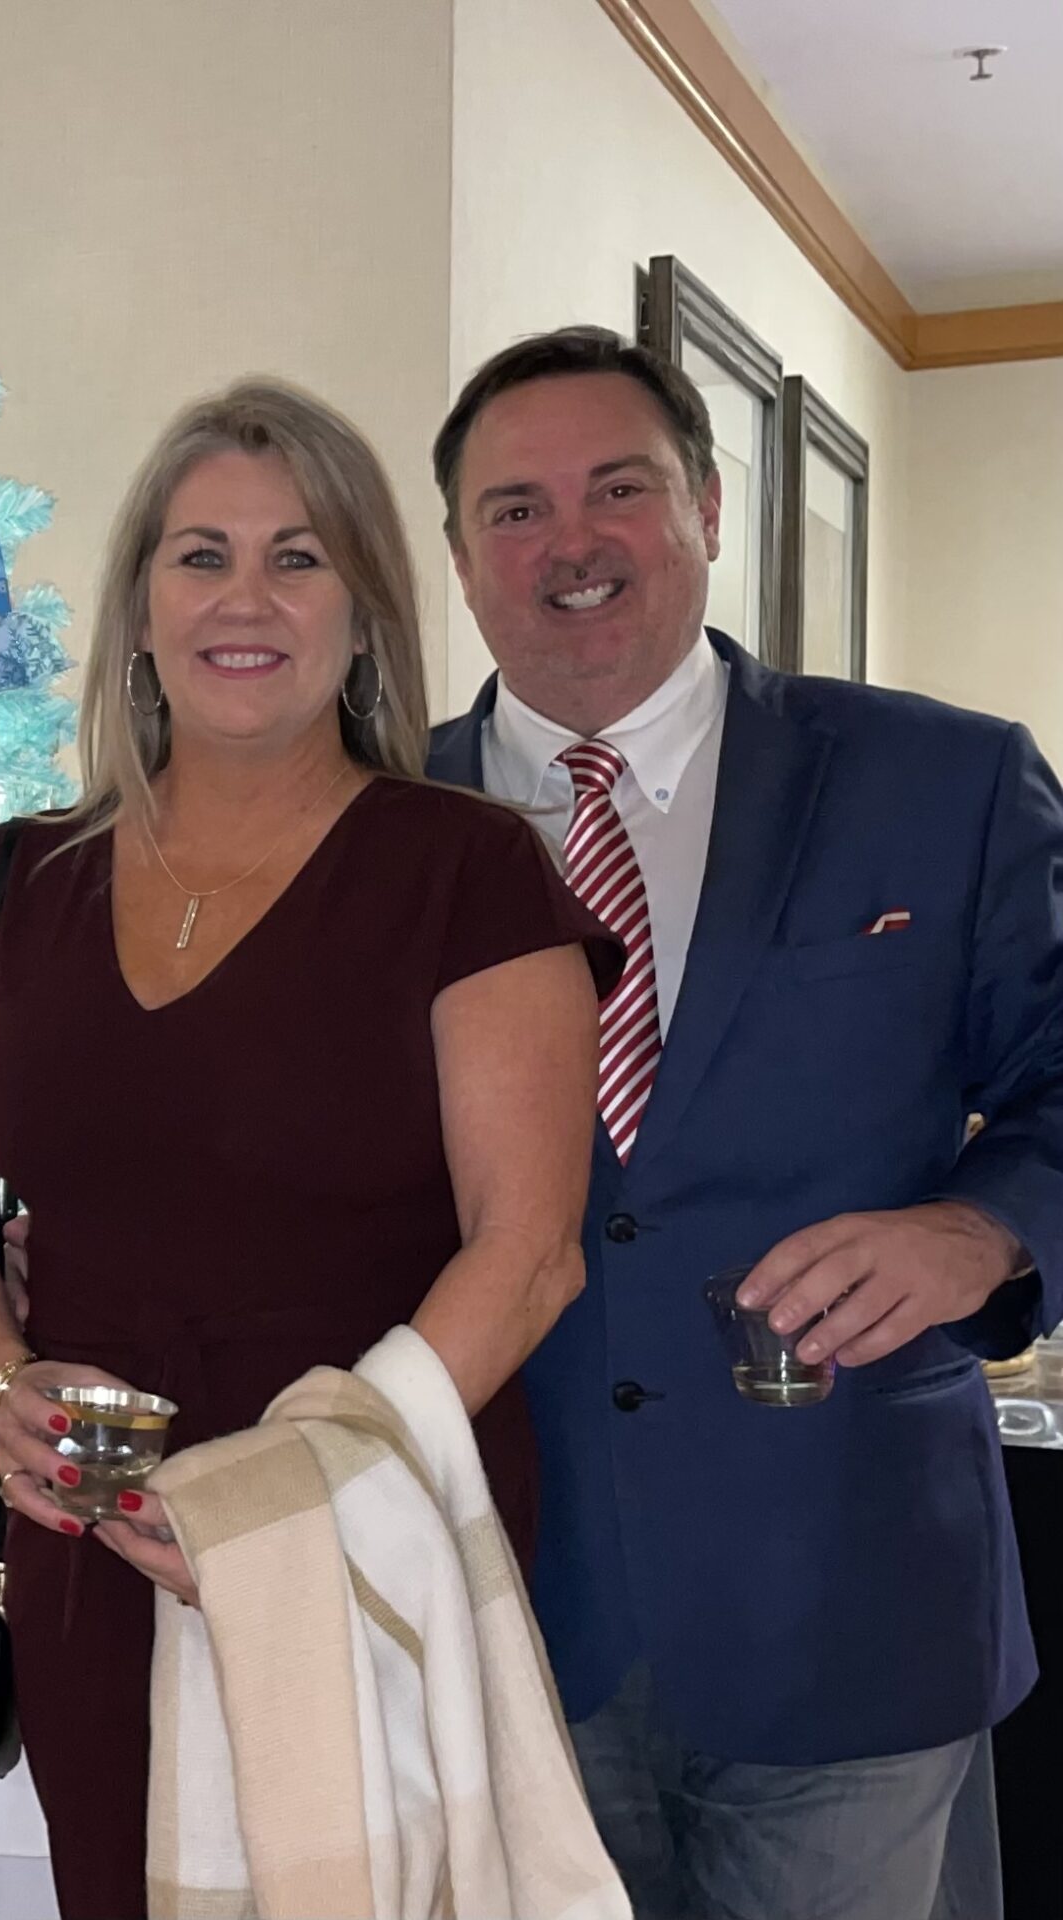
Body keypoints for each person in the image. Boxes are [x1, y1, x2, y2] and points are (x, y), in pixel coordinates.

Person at [0, 381, 618, 1919]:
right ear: (138, 609)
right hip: (99, 1522)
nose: (245, 600)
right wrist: (4, 1376)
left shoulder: (468, 870)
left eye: (299, 558)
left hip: (366, 1513)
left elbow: (531, 1248)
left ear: (362, 614)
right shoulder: (16, 881)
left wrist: (298, 1481)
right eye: (199, 555)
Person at [428, 324, 1063, 1920]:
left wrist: (984, 1226)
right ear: (455, 553)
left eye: (618, 488)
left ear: (707, 505)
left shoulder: (948, 779)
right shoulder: (379, 823)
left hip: (851, 1597)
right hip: (492, 1603)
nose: (569, 542)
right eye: (514, 508)